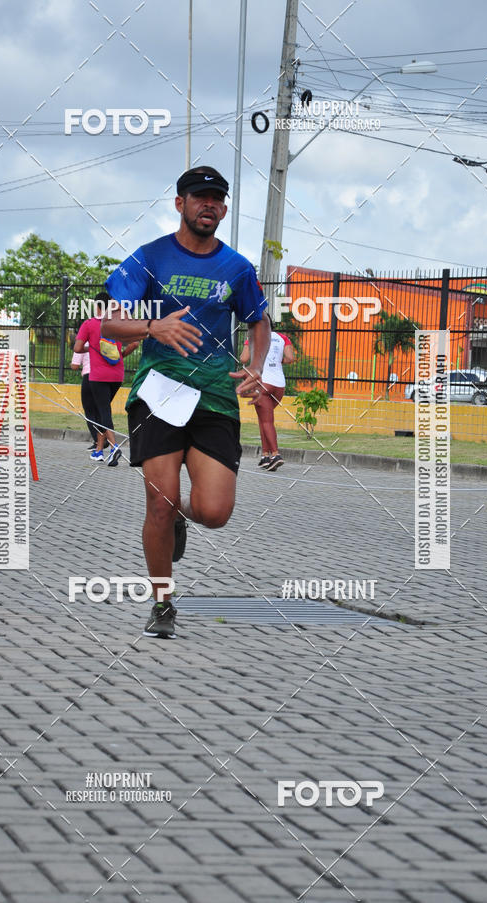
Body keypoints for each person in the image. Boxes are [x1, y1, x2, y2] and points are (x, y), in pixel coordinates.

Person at [102, 165, 270, 639]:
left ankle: (182, 515)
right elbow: (109, 323)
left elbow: (259, 321)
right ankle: (162, 603)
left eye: (217, 198)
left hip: (216, 397)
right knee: (160, 502)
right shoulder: (149, 258)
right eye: (200, 197)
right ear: (181, 203)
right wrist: (152, 326)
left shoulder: (237, 267)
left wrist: (257, 366)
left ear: (224, 207)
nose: (209, 205)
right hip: (159, 392)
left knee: (214, 513)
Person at [73, 292, 139, 466]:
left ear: (97, 306)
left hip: (98, 375)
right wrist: (122, 354)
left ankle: (114, 446)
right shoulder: (117, 324)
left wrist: (93, 348)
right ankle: (98, 451)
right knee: (103, 411)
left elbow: (78, 348)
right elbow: (135, 343)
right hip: (117, 374)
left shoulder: (89, 324)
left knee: (103, 412)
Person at [240, 313, 294, 471]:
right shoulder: (282, 337)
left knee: (266, 421)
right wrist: (278, 360)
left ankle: (275, 455)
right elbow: (290, 358)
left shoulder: (253, 337)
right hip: (279, 385)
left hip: (262, 383)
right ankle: (265, 456)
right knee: (265, 419)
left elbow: (244, 358)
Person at [70, 340, 99, 449]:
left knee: (90, 412)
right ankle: (108, 440)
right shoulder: (106, 338)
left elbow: (75, 366)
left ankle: (98, 440)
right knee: (101, 410)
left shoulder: (82, 343)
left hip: (89, 376)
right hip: (105, 378)